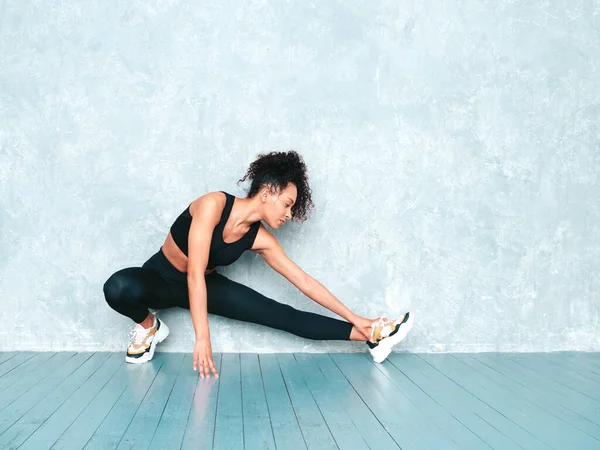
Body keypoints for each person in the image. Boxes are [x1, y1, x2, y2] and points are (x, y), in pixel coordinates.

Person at [103, 151, 414, 378]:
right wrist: (203, 339)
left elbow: (304, 282)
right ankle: (149, 326)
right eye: (287, 204)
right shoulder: (213, 205)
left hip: (205, 285)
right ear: (268, 192)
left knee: (282, 315)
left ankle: (372, 335)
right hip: (162, 278)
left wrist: (355, 317)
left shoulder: (260, 239)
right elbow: (193, 274)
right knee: (118, 287)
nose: (289, 214)